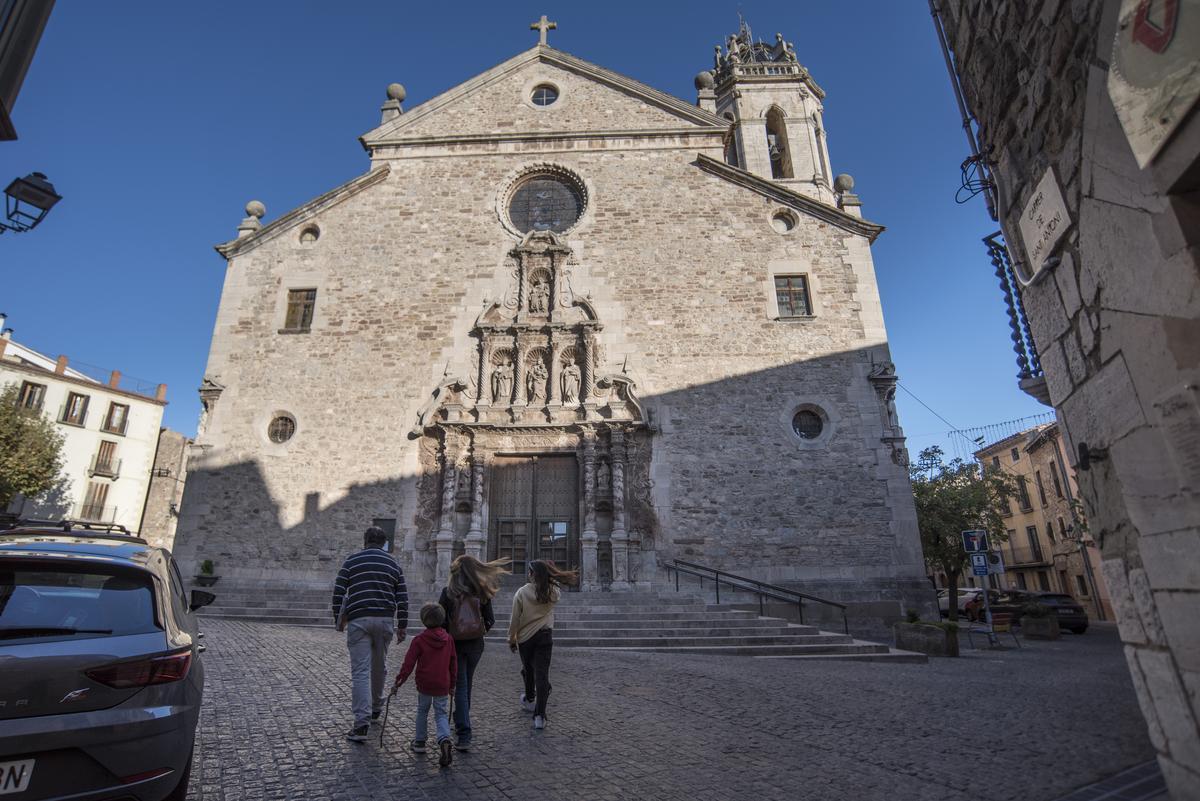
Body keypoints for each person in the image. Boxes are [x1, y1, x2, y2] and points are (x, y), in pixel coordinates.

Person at [332, 526, 408, 743]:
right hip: (384, 620)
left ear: (365, 541)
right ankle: (375, 708)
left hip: (359, 620)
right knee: (379, 666)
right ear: (384, 543)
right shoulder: (394, 563)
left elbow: (339, 590)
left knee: (360, 672)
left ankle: (361, 723)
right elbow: (402, 596)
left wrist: (338, 617)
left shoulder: (352, 561)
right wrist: (402, 625)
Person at [438, 555, 509, 751]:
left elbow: (440, 620)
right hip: (476, 645)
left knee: (460, 686)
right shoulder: (482, 593)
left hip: (455, 645)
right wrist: (476, 630)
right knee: (465, 684)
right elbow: (490, 620)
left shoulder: (448, 592)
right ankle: (462, 719)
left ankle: (464, 732)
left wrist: (452, 632)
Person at [507, 559, 577, 730]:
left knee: (528, 669)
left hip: (525, 638)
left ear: (531, 574)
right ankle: (539, 716)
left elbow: (515, 618)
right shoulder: (553, 592)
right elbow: (554, 588)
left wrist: (511, 638)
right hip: (545, 636)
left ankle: (530, 698)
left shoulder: (522, 592)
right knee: (542, 675)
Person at [393, 603, 458, 768]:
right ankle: (444, 739)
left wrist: (399, 682)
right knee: (441, 714)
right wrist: (453, 684)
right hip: (443, 683)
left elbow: (408, 664)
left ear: (423, 620)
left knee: (422, 711)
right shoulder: (449, 639)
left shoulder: (419, 640)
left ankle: (420, 742)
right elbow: (453, 663)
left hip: (424, 684)